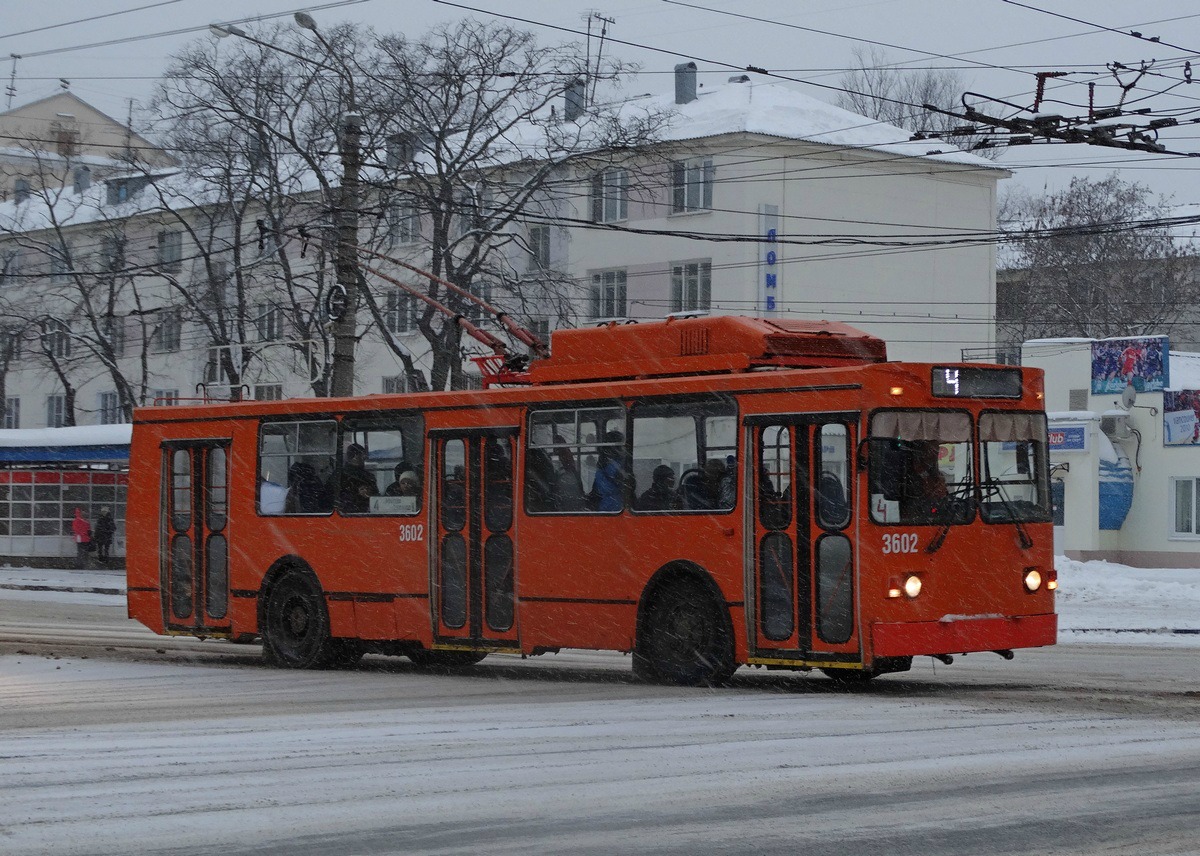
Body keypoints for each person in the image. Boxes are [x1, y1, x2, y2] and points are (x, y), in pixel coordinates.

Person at [589, 431, 626, 512]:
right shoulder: (616, 466)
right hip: (615, 506)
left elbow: (596, 489)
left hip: (603, 507)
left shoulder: (602, 465)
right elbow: (628, 484)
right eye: (622, 446)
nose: (624, 449)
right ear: (616, 447)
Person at [337, 443, 378, 513]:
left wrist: (370, 493)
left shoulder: (368, 476)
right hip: (348, 514)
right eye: (362, 455)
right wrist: (357, 494)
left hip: (370, 513)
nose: (364, 458)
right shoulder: (340, 476)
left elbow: (377, 496)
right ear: (355, 456)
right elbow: (335, 498)